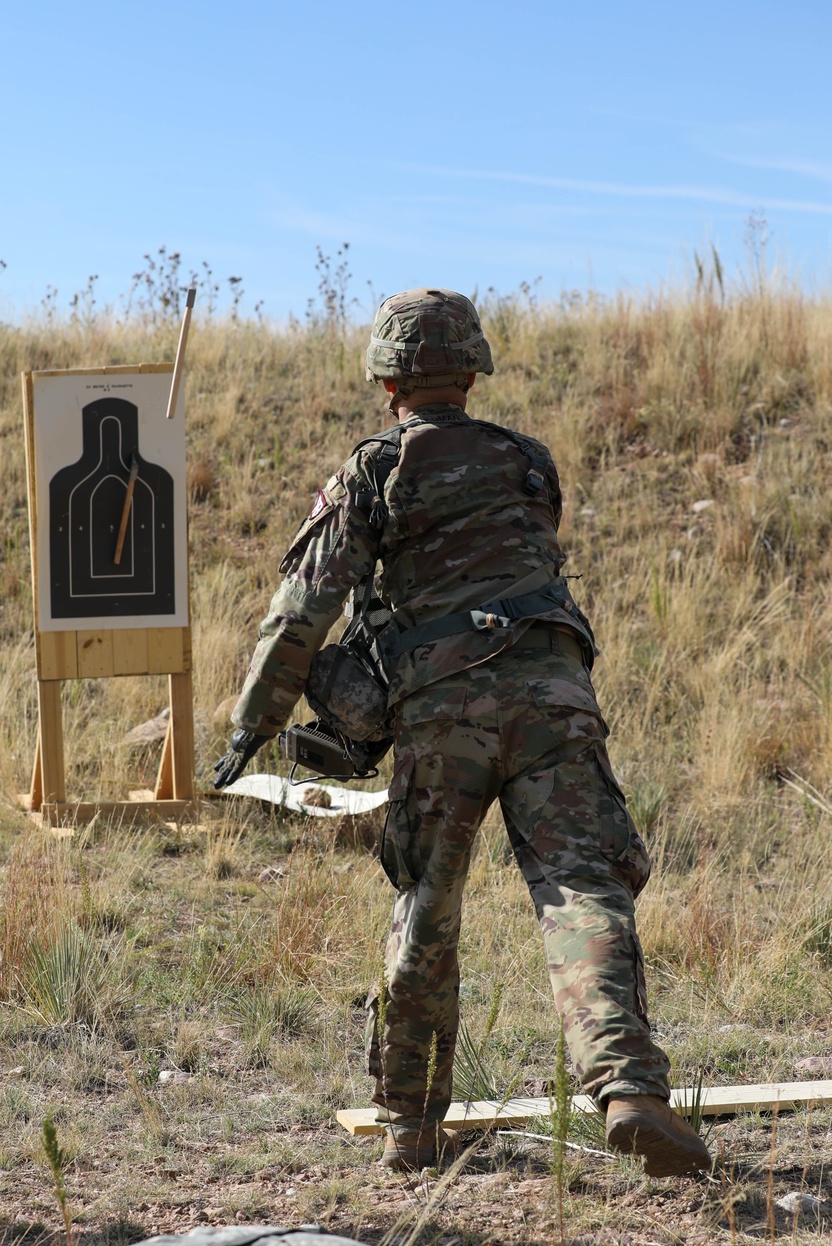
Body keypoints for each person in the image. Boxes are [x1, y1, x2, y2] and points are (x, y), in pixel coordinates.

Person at [214, 288, 710, 1178]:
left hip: (443, 714)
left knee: (427, 906)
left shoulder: (374, 471)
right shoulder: (529, 461)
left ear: (387, 377)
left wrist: (253, 725)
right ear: (472, 369)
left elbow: (302, 613)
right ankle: (630, 1091)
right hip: (554, 697)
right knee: (581, 888)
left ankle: (409, 1123)